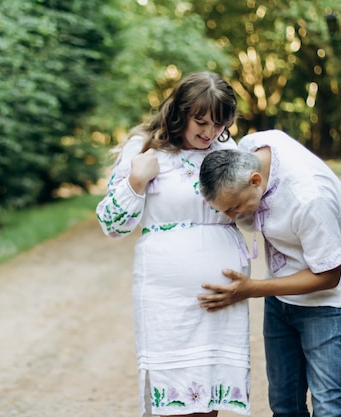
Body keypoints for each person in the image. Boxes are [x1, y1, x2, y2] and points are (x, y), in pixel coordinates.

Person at [96, 71, 252, 417]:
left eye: (218, 123)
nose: (210, 132)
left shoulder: (226, 150)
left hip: (220, 295)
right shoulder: (144, 149)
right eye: (201, 122)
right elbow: (112, 225)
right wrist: (136, 181)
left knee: (209, 402)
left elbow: (250, 209)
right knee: (172, 404)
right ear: (180, 112)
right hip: (165, 300)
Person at [197, 129, 341, 417]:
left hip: (326, 305)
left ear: (255, 180)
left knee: (329, 407)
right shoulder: (252, 149)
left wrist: (253, 288)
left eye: (234, 208)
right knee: (285, 406)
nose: (232, 216)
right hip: (281, 299)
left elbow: (329, 275)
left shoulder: (309, 198)